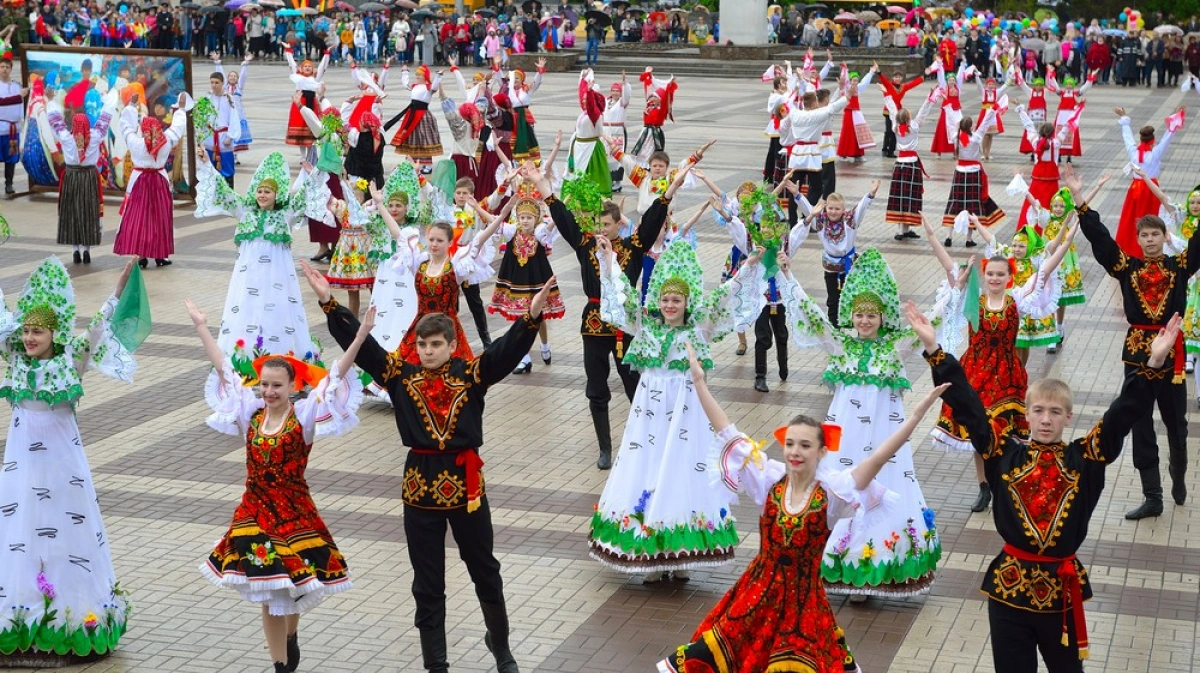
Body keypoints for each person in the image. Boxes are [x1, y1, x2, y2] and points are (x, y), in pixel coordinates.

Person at [307, 263, 556, 673]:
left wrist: (530, 316)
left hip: (467, 488)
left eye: (436, 344)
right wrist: (328, 302)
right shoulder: (401, 377)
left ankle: (502, 645)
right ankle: (435, 664)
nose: (427, 351)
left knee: (485, 570)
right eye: (422, 345)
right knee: (427, 582)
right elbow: (365, 349)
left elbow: (505, 352)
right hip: (419, 489)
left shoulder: (472, 374)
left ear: (452, 343)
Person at [909, 299, 1178, 672]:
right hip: (1008, 590)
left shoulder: (1086, 457)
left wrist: (1153, 362)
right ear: (1026, 412)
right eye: (1038, 410)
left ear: (1068, 417)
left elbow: (1123, 412)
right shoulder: (1003, 452)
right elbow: (969, 405)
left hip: (1061, 594)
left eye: (1055, 412)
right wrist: (935, 351)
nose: (1046, 419)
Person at [657, 339, 949, 673]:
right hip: (755, 595)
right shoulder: (769, 479)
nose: (795, 451)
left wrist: (914, 417)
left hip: (803, 606)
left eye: (805, 445)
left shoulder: (832, 493)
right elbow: (727, 431)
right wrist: (699, 383)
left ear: (821, 452)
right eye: (790, 443)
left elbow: (878, 460)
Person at [187, 298, 365, 673]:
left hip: (295, 510)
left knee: (294, 587)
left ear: (291, 386)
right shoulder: (249, 412)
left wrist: (362, 332)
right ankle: (280, 666)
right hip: (254, 511)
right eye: (264, 384)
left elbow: (335, 375)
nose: (268, 391)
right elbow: (223, 369)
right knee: (268, 590)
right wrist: (202, 326)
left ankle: (291, 636)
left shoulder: (304, 415)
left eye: (276, 385)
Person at [778, 248, 953, 597]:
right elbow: (811, 316)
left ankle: (884, 562)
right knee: (842, 489)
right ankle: (843, 560)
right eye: (859, 315)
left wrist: (951, 293)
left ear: (882, 317)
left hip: (885, 435)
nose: (864, 321)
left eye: (871, 315)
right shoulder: (841, 345)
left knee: (888, 487)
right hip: (844, 437)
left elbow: (927, 325)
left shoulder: (895, 347)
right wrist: (788, 276)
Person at [590, 234, 766, 580]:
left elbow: (726, 293)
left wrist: (749, 265)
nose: (670, 305)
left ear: (687, 302)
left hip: (685, 413)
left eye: (677, 300)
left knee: (681, 470)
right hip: (650, 416)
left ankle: (680, 555)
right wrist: (608, 260)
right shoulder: (645, 326)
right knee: (650, 467)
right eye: (666, 299)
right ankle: (652, 551)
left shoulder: (698, 328)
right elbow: (622, 296)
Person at [0, 257, 140, 666]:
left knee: (64, 532)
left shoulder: (69, 361)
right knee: (20, 526)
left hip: (62, 467)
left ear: (53, 334)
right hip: (21, 465)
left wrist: (116, 290)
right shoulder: (15, 362)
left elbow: (96, 328)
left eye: (37, 331)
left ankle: (77, 618)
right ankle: (19, 617)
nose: (29, 337)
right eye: (25, 330)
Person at [531, 158, 689, 470]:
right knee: (596, 387)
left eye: (606, 224)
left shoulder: (633, 246)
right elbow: (563, 218)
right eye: (597, 224)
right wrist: (541, 185)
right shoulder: (585, 245)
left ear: (619, 225)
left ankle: (646, 440)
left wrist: (672, 187)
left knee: (634, 382)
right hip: (593, 323)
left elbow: (654, 218)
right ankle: (604, 447)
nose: (601, 229)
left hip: (625, 326)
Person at [1070, 168, 1198, 521]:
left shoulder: (1180, 266)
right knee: (1140, 422)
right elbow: (1101, 241)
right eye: (1144, 235)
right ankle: (1152, 495)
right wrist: (1080, 201)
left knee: (1177, 424)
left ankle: (1179, 475)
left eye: (1156, 234)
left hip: (1171, 354)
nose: (1150, 239)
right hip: (1137, 354)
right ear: (1139, 239)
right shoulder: (1128, 268)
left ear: (1163, 235)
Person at [194, 150, 332, 382]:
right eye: (259, 190)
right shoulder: (245, 212)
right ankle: (245, 361)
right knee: (249, 311)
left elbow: (303, 198)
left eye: (267, 191)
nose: (262, 195)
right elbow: (223, 190)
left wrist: (314, 174)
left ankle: (283, 362)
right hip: (249, 280)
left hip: (277, 280)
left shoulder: (284, 214)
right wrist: (207, 163)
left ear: (276, 195)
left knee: (277, 313)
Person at [488, 185, 562, 374]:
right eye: (522, 217)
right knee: (521, 317)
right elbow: (494, 222)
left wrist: (563, 205)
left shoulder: (539, 233)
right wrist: (477, 207)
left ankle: (545, 346)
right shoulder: (512, 231)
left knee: (539, 316)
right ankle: (524, 357)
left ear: (535, 219)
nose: (525, 221)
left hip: (537, 278)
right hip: (517, 280)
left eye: (529, 218)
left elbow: (553, 222)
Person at [112, 93, 188, 269]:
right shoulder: (166, 141)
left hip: (139, 182)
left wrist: (131, 107)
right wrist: (181, 110)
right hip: (159, 182)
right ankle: (161, 255)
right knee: (160, 217)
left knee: (139, 218)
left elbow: (125, 128)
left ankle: (140, 255)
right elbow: (177, 128)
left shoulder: (136, 143)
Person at [47, 95, 117, 265]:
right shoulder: (95, 136)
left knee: (72, 213)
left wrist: (50, 102)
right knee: (88, 212)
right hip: (89, 177)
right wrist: (111, 99)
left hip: (71, 176)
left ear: (72, 123)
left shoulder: (65, 136)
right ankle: (86, 250)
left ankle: (75, 251)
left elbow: (54, 120)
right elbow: (105, 118)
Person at [1113, 105, 1183, 259]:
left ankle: (1129, 248)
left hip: (1135, 189)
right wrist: (1176, 119)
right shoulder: (1155, 153)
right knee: (1151, 218)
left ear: (1141, 139)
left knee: (1132, 217)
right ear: (1153, 140)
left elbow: (1127, 136)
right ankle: (1151, 248)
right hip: (1151, 189)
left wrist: (1124, 118)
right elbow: (1167, 138)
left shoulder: (1133, 151)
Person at [941, 108, 1003, 247]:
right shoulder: (976, 137)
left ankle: (948, 236)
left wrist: (947, 109)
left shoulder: (955, 137)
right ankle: (969, 240)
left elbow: (951, 122)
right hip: (973, 174)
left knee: (954, 204)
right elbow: (985, 122)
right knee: (972, 206)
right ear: (971, 126)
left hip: (959, 173)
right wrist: (993, 110)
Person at [885, 89, 940, 240]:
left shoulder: (895, 127)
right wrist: (930, 98)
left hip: (899, 165)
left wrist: (887, 96)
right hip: (912, 165)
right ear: (909, 118)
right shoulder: (914, 127)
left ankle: (903, 229)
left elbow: (892, 111)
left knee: (900, 196)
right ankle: (904, 230)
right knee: (910, 196)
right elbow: (923, 112)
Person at [384, 64, 442, 172]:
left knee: (424, 139)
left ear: (425, 76)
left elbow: (435, 87)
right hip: (412, 114)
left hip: (423, 116)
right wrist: (405, 72)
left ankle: (427, 164)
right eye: (416, 75)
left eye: (420, 75)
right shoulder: (415, 86)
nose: (417, 76)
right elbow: (405, 84)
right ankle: (410, 161)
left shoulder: (428, 87)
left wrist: (438, 76)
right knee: (411, 138)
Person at [630, 66, 678, 163]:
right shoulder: (649, 106)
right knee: (642, 153)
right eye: (653, 97)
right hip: (645, 132)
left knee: (652, 154)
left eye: (656, 97)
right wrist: (648, 75)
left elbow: (666, 99)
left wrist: (669, 86)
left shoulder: (661, 109)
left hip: (654, 133)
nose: (653, 98)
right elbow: (648, 89)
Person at [879, 68, 925, 159]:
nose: (898, 78)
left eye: (899, 77)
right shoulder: (889, 85)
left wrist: (924, 76)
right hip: (888, 110)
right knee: (888, 131)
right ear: (893, 78)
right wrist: (879, 72)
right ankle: (885, 149)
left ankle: (891, 151)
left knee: (895, 130)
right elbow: (884, 80)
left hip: (898, 112)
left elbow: (913, 84)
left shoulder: (903, 87)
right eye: (896, 77)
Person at [834, 66, 877, 162]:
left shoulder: (858, 88)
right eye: (853, 80)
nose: (855, 82)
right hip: (848, 113)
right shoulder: (847, 88)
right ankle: (843, 154)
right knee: (847, 133)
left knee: (858, 133)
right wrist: (845, 70)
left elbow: (865, 82)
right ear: (850, 81)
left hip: (857, 114)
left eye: (857, 80)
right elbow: (844, 80)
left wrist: (871, 72)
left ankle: (858, 154)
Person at [0, 52, 25, 195]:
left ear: (10, 68)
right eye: (1, 66)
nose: (4, 69)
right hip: (0, 128)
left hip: (12, 130)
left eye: (6, 67)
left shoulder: (17, 86)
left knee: (11, 158)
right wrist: (18, 96)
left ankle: (9, 183)